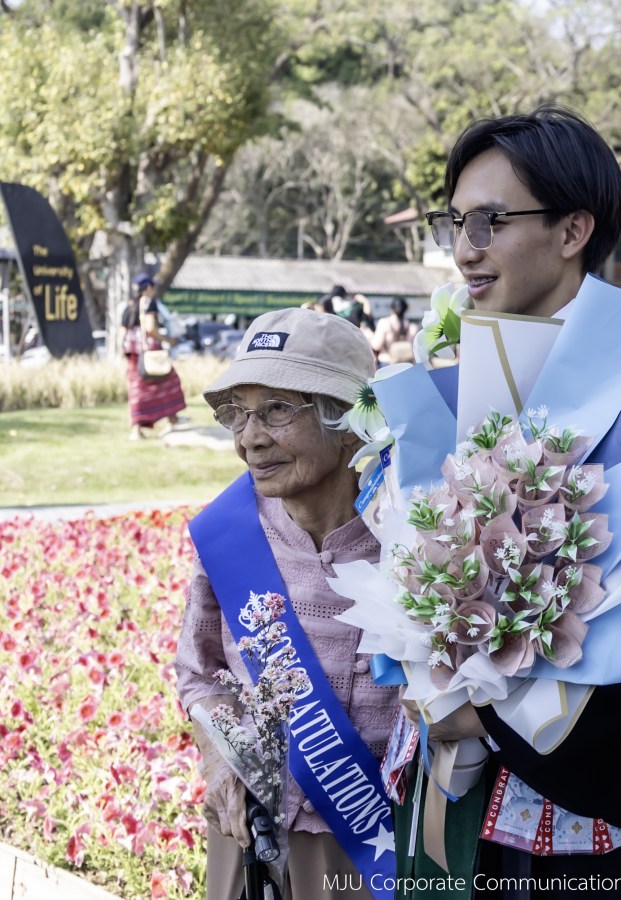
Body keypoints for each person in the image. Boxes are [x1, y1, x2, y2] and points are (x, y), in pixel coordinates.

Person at [402, 105, 621, 898]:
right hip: (487, 799)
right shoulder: (485, 367)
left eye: (491, 220)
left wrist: (488, 715)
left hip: (603, 817)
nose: (465, 247)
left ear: (575, 230)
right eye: (457, 221)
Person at [174, 307, 402, 900]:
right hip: (253, 840)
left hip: (380, 842)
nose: (250, 437)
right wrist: (224, 757)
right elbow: (200, 677)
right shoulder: (229, 535)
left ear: (349, 421)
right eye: (238, 413)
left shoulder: (414, 536)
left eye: (277, 409)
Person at [121, 273, 187, 440]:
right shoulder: (149, 303)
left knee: (137, 390)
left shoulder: (128, 308)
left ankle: (139, 428)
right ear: (148, 288)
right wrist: (167, 339)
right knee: (169, 382)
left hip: (133, 356)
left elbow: (122, 333)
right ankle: (171, 419)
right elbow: (150, 328)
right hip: (150, 354)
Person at [370, 296, 420, 366]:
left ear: (392, 309)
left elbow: (376, 345)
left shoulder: (384, 323)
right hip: (406, 364)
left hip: (387, 363)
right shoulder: (412, 327)